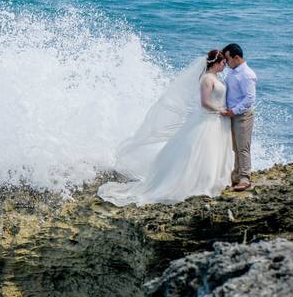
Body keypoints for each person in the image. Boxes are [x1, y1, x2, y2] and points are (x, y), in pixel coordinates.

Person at [98, 50, 234, 206]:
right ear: (216, 63)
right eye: (223, 63)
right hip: (207, 119)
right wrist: (221, 110)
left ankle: (212, 180)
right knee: (201, 151)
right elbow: (204, 103)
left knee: (212, 151)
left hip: (215, 120)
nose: (225, 65)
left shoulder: (216, 78)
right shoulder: (207, 79)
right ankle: (199, 183)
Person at [219, 43, 257, 191]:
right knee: (235, 147)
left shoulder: (247, 74)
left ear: (236, 57)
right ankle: (236, 176)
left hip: (242, 115)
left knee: (243, 147)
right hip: (233, 114)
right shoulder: (233, 72)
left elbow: (250, 99)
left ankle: (245, 178)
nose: (226, 63)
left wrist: (234, 111)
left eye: (227, 59)